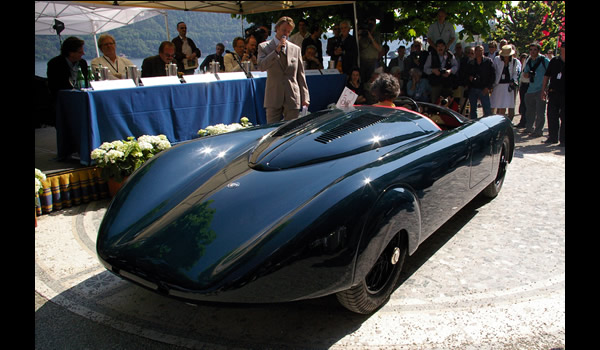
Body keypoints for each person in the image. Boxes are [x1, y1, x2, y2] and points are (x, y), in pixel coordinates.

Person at [257, 16, 310, 123]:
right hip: (274, 96)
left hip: (292, 96)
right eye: (283, 30)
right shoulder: (264, 47)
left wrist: (305, 97)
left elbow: (300, 74)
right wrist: (276, 51)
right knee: (272, 131)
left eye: (288, 31)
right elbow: (262, 66)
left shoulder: (296, 49)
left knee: (291, 131)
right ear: (277, 29)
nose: (285, 33)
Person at [47, 36, 89, 126]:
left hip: (81, 99)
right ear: (71, 52)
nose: (83, 53)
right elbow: (54, 87)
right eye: (80, 52)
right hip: (63, 102)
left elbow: (87, 81)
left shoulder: (83, 63)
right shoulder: (55, 64)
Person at [522, 42, 550, 137]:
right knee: (529, 111)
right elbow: (525, 74)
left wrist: (546, 88)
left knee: (540, 112)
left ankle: (538, 130)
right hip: (531, 89)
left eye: (535, 50)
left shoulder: (544, 60)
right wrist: (529, 74)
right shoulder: (529, 61)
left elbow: (550, 73)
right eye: (531, 50)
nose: (532, 52)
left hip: (541, 89)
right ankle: (529, 127)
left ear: (538, 50)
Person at [541, 42, 565, 146]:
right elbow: (547, 75)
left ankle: (563, 140)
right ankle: (552, 137)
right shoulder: (554, 61)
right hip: (554, 92)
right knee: (551, 115)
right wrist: (543, 89)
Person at [424, 39, 458, 104]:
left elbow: (456, 66)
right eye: (438, 46)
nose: (440, 48)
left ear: (445, 47)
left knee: (448, 103)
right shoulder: (431, 55)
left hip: (447, 82)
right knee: (435, 102)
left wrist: (450, 71)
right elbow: (425, 69)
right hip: (436, 82)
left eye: (442, 46)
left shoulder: (450, 55)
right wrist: (433, 70)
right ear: (436, 47)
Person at [490, 45, 522, 117]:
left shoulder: (515, 61)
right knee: (494, 103)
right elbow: (494, 71)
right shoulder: (497, 59)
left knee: (504, 105)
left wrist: (513, 81)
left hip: (508, 86)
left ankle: (501, 119)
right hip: (498, 85)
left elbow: (516, 73)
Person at [465, 45, 495, 119]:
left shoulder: (488, 62)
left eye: (481, 50)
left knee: (487, 109)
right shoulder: (471, 63)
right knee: (473, 110)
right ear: (475, 52)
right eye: (478, 50)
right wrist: (470, 78)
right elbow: (466, 74)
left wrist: (488, 87)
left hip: (484, 88)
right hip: (473, 88)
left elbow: (492, 76)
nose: (479, 52)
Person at [358, 17, 383, 84]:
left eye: (372, 24)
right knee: (362, 80)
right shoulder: (363, 34)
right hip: (363, 60)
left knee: (372, 81)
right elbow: (357, 46)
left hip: (373, 61)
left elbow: (379, 49)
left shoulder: (377, 35)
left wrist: (370, 37)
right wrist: (359, 35)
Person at [516, 52, 530, 128]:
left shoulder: (528, 63)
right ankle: (523, 121)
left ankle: (526, 122)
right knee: (523, 104)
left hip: (528, 85)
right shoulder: (520, 64)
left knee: (527, 105)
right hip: (522, 84)